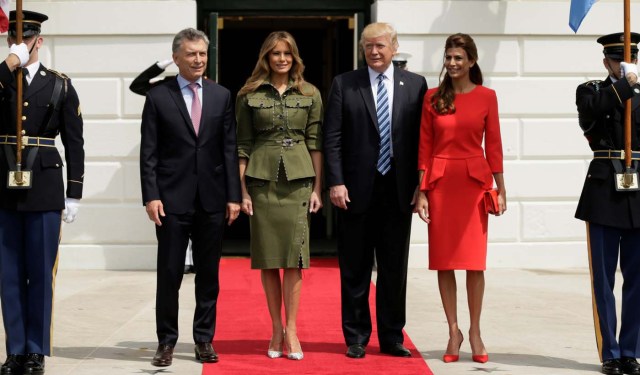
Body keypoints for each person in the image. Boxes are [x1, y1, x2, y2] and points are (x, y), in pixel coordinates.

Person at [324, 22, 427, 359]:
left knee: (394, 269)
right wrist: (335, 181)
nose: (374, 52)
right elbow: (333, 137)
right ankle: (355, 336)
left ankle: (392, 336)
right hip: (354, 191)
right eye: (368, 46)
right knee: (354, 267)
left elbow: (421, 141)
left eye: (380, 45)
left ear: (394, 47)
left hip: (398, 190)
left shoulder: (415, 85)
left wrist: (421, 186)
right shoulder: (345, 84)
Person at [139, 27, 241, 367]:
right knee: (169, 274)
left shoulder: (221, 95)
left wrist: (233, 196)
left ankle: (203, 340)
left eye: (202, 54)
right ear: (176, 58)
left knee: (208, 275)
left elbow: (228, 149)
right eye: (191, 54)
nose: (198, 59)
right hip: (170, 200)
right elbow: (149, 152)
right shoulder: (158, 96)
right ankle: (166, 342)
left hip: (212, 200)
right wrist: (150, 195)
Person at [0, 10, 85, 375]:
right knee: (9, 273)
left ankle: (36, 350)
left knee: (40, 272)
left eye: (27, 37)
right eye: (14, 38)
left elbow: (75, 143)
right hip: (4, 186)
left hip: (45, 186)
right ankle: (15, 349)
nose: (21, 43)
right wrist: (11, 62)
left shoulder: (59, 85)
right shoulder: (2, 78)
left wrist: (74, 193)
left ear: (40, 40)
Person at [415, 33, 505, 365]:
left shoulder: (487, 97)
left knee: (473, 262)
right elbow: (424, 147)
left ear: (471, 61)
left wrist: (501, 189)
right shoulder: (432, 97)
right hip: (439, 184)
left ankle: (476, 330)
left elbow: (493, 145)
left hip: (473, 186)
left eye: (458, 58)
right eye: (448, 58)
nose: (452, 64)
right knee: (444, 261)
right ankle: (453, 331)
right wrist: (421, 191)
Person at [235, 31, 323, 361]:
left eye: (287, 53)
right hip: (261, 183)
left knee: (295, 260)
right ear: (266, 58)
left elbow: (315, 142)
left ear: (294, 56)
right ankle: (275, 328)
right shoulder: (248, 94)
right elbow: (242, 145)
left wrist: (318, 188)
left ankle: (294, 330)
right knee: (269, 259)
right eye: (275, 53)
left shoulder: (310, 93)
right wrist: (242, 191)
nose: (282, 58)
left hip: (299, 182)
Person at [574, 32, 640, 375]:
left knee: (637, 279)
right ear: (607, 63)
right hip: (603, 191)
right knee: (603, 279)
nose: (626, 64)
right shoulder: (591, 91)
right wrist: (624, 87)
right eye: (619, 59)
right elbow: (592, 113)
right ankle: (610, 353)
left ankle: (631, 351)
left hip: (637, 191)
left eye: (632, 58)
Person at [129, 59, 195, 274]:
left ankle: (193, 259)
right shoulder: (164, 86)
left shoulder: (206, 87)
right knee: (173, 221)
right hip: (170, 166)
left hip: (196, 164)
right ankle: (183, 261)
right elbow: (137, 85)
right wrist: (162, 64)